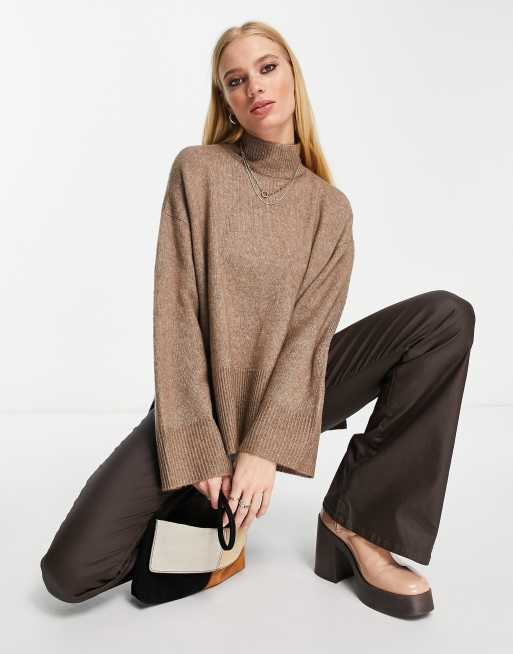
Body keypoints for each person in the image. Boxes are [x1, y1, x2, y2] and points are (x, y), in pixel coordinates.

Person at [40, 21, 475, 618]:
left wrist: (263, 449)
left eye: (267, 68)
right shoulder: (197, 170)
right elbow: (176, 318)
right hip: (197, 408)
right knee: (68, 574)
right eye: (236, 80)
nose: (255, 87)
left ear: (292, 75)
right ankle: (205, 523)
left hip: (292, 394)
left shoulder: (329, 209)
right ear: (226, 101)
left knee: (444, 318)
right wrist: (200, 450)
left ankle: (357, 523)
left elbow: (307, 340)